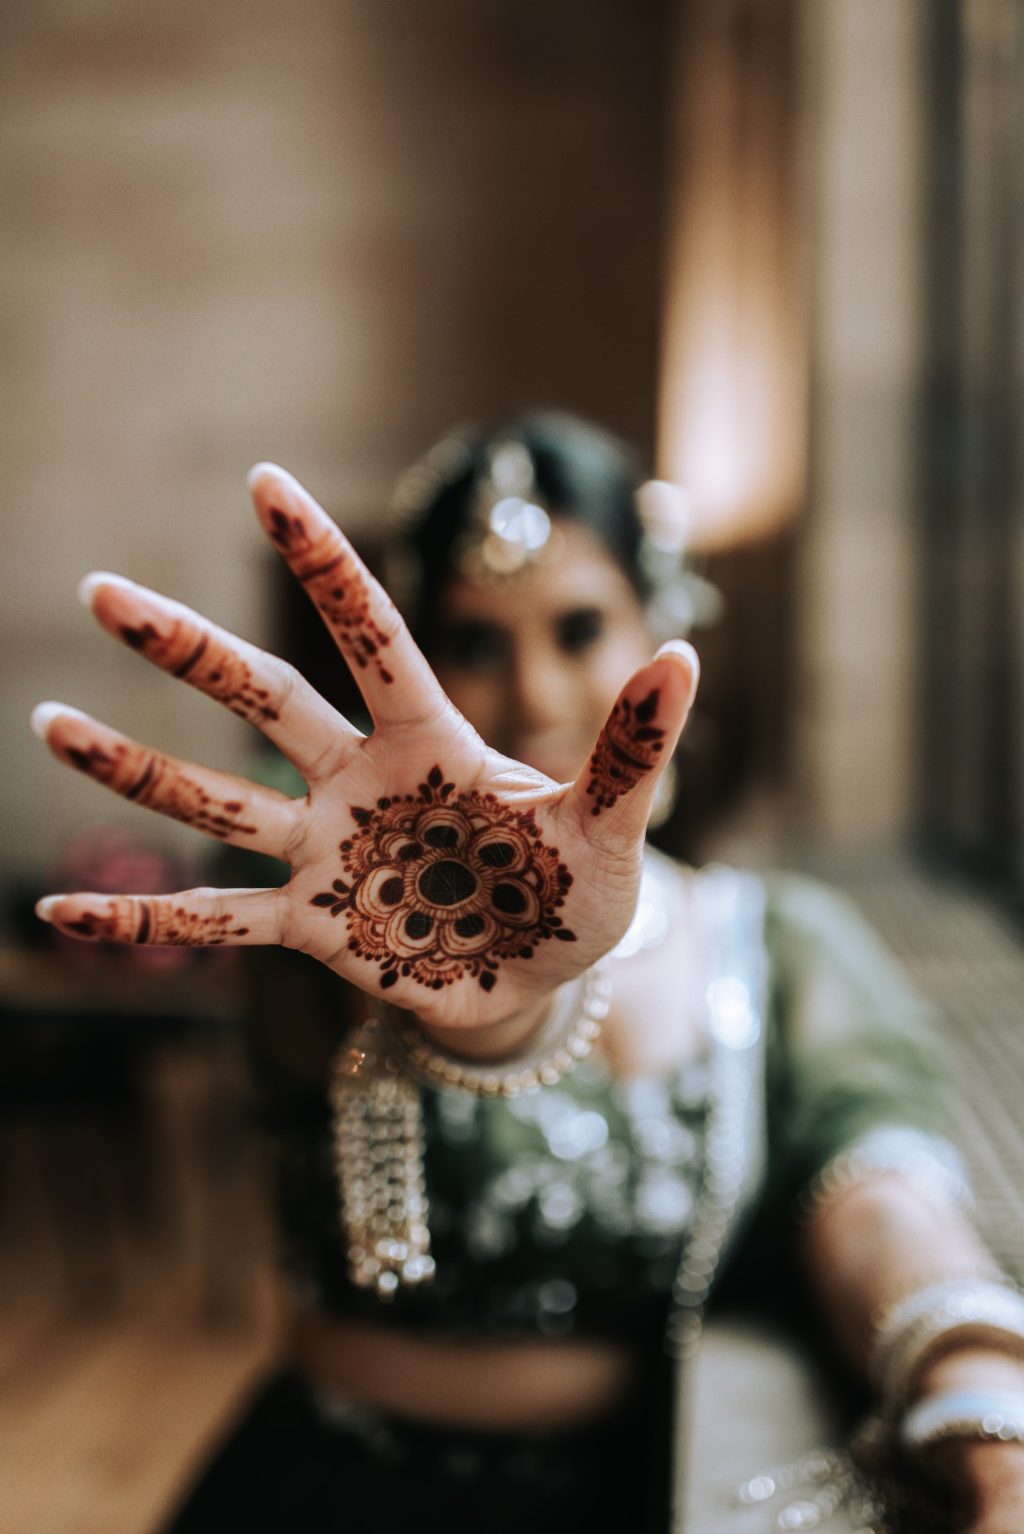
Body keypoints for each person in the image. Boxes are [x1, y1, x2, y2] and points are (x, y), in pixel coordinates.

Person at [31, 413, 1024, 1532]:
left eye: (581, 626)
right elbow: (433, 1019)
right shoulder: (341, 915)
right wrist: (493, 1004)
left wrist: (974, 1387)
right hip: (331, 1491)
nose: (537, 691)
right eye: (475, 642)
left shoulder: (782, 945)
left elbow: (878, 1199)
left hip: (650, 1490)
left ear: (664, 624)